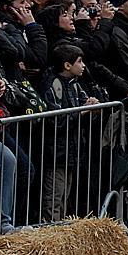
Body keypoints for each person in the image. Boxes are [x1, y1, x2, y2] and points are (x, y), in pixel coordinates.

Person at [40, 43, 98, 221]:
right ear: (67, 65)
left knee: (64, 196)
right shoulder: (52, 85)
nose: (83, 65)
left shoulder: (74, 85)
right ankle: (51, 230)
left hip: (71, 151)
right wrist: (83, 110)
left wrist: (93, 107)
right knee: (54, 198)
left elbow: (84, 108)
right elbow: (55, 121)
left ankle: (60, 229)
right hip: (56, 153)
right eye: (79, 61)